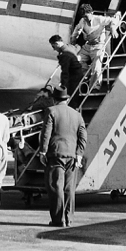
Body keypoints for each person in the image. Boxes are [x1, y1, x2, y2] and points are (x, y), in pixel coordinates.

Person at [38, 87, 87, 227]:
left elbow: (46, 133)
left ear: (54, 99)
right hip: (71, 155)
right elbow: (83, 135)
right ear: (67, 99)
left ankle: (58, 219)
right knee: (69, 188)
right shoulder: (76, 114)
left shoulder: (51, 111)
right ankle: (68, 218)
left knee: (55, 186)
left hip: (56, 154)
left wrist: (43, 151)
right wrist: (79, 153)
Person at [70, 4, 120, 92]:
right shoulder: (83, 21)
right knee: (77, 61)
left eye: (86, 16)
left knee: (96, 66)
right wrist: (73, 39)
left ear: (92, 13)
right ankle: (87, 74)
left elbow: (113, 20)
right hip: (87, 46)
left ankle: (95, 87)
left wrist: (113, 28)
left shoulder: (99, 19)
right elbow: (77, 30)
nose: (85, 19)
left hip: (98, 46)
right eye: (83, 17)